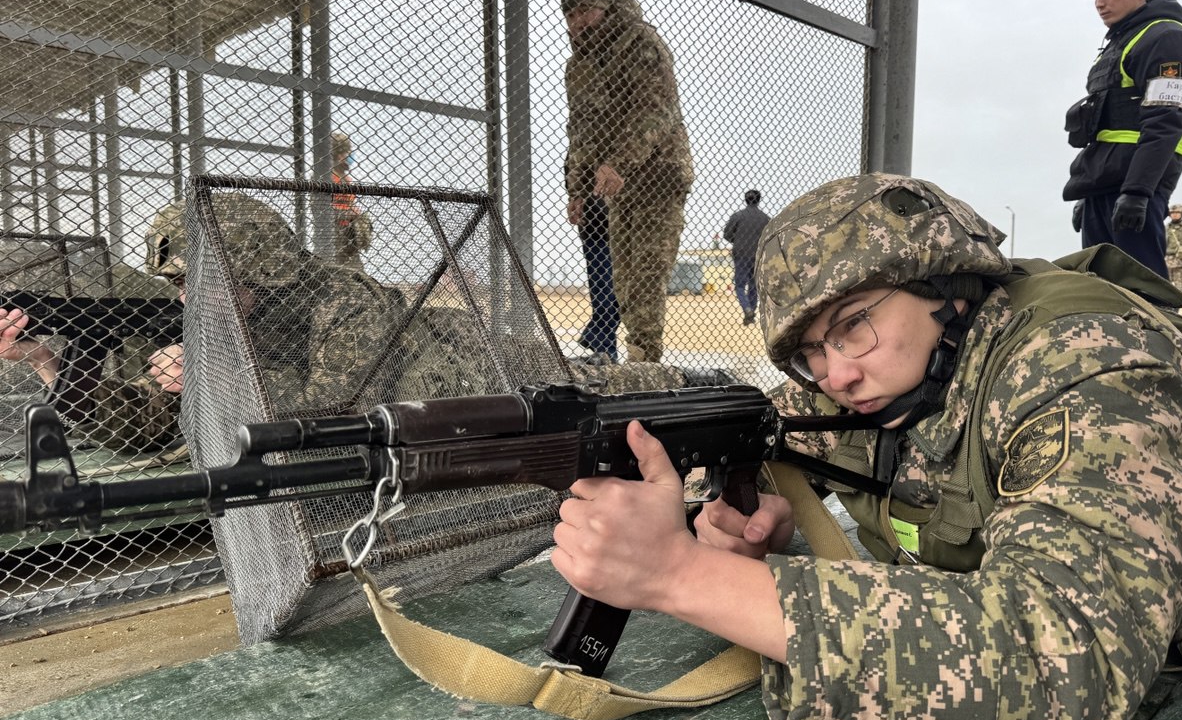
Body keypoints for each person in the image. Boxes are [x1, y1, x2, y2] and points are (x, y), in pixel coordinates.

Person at [551, 172, 1182, 720]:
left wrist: (680, 575)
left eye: (854, 322)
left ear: (946, 286)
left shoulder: (1083, 360)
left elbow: (1070, 664)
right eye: (810, 353)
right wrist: (751, 512)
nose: (838, 374)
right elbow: (774, 438)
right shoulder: (878, 376)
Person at [0, 197, 715, 451]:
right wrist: (46, 364)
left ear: (252, 269)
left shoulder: (338, 298)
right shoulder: (216, 323)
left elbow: (334, 405)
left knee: (604, 385)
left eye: (196, 284)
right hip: (443, 408)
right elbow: (147, 428)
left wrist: (214, 376)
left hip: (474, 364)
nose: (187, 303)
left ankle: (699, 383)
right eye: (179, 288)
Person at [560, 0, 694, 363]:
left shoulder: (640, 42)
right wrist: (578, 190)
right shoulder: (579, 66)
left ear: (604, 5)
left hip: (658, 174)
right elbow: (580, 132)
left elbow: (657, 112)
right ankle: (636, 358)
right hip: (617, 186)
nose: (578, 22)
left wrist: (617, 162)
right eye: (569, 15)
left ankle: (644, 361)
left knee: (647, 279)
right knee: (622, 281)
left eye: (585, 10)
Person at [1064, 0, 1182, 279]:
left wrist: (1137, 192)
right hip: (1109, 179)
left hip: (1138, 179)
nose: (1100, 3)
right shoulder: (1121, 41)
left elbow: (1166, 121)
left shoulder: (1165, 38)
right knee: (1100, 286)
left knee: (1144, 291)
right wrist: (1091, 191)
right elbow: (1106, 121)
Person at [570, 194, 620, 362]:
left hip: (627, 223)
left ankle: (596, 336)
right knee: (605, 289)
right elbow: (575, 171)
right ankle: (605, 349)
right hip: (596, 223)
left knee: (625, 292)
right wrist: (576, 196)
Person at [723, 189, 771, 325]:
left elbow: (727, 234)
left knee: (739, 285)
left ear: (745, 200)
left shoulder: (738, 216)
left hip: (741, 254)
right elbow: (769, 237)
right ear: (759, 200)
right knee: (754, 285)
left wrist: (738, 240)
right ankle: (752, 311)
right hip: (758, 255)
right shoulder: (765, 218)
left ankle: (747, 308)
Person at [330, 132, 374, 270]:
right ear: (338, 155)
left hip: (350, 238)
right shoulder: (326, 177)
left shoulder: (347, 180)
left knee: (356, 272)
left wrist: (358, 217)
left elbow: (349, 204)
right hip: (333, 236)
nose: (350, 156)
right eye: (346, 153)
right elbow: (320, 209)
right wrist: (347, 214)